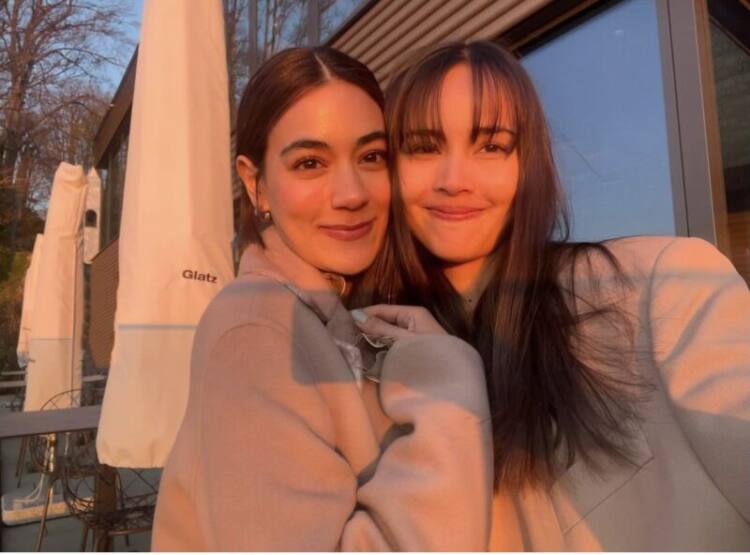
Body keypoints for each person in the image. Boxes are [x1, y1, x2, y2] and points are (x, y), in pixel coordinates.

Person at [354, 40, 750, 550]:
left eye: (491, 146)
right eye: (424, 147)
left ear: (528, 163)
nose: (454, 180)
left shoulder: (661, 286)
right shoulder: (368, 357)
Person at [151, 46, 494, 551]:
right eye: (310, 163)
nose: (351, 193)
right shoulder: (257, 330)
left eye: (371, 156)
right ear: (255, 184)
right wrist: (448, 390)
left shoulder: (335, 311)